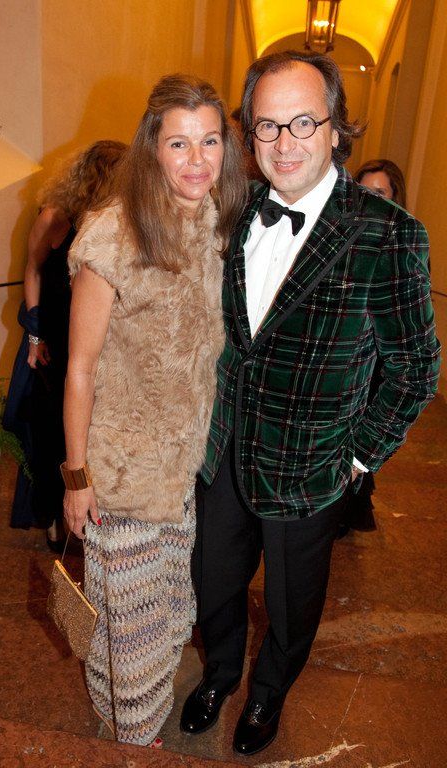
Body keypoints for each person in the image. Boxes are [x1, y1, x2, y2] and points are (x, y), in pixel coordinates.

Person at [180, 51, 440, 757]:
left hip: (313, 468)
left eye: (302, 122)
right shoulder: (233, 210)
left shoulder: (388, 233)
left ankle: (268, 692)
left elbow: (416, 369)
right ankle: (220, 675)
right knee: (214, 583)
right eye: (267, 125)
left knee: (292, 605)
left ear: (335, 128)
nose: (284, 142)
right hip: (225, 451)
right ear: (250, 133)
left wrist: (357, 458)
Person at [61, 74, 247, 747]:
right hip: (121, 477)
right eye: (178, 143)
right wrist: (76, 478)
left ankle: (117, 714)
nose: (196, 159)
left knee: (163, 617)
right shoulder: (113, 235)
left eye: (209, 141)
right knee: (136, 631)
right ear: (152, 149)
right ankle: (136, 741)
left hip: (182, 476)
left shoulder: (218, 231)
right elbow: (80, 369)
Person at [3, 141, 126, 549]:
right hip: (54, 339)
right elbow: (33, 268)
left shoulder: (113, 222)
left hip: (93, 338)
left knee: (86, 431)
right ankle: (56, 517)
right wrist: (34, 334)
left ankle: (89, 511)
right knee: (55, 433)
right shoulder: (55, 217)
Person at [337, 158, 408, 534]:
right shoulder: (342, 242)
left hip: (378, 365)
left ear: (396, 199)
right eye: (362, 192)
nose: (369, 200)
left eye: (379, 193)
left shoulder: (403, 246)